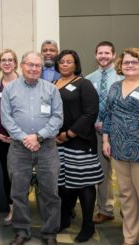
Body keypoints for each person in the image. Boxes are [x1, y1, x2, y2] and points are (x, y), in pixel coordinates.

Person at [1, 51, 63, 245]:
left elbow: (58, 117)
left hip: (47, 147)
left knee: (50, 192)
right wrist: (25, 138)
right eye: (30, 65)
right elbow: (6, 118)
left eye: (38, 66)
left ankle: (50, 232)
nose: (34, 69)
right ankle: (21, 231)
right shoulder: (10, 89)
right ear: (22, 66)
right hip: (19, 149)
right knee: (18, 192)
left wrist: (38, 136)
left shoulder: (52, 89)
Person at [54, 50, 103, 242]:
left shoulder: (84, 84)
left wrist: (69, 134)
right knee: (63, 184)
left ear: (76, 65)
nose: (65, 64)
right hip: (56, 142)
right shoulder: (52, 84)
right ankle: (64, 218)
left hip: (79, 141)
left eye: (69, 62)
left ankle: (88, 225)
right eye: (62, 61)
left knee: (84, 183)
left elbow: (90, 113)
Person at [102, 47, 139, 245]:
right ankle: (130, 238)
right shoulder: (115, 87)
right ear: (121, 65)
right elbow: (108, 114)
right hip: (118, 149)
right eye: (126, 62)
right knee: (126, 196)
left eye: (134, 62)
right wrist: (106, 140)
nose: (130, 65)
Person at [86, 41, 123, 224]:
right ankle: (106, 209)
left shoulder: (122, 77)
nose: (103, 56)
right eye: (100, 53)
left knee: (125, 175)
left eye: (107, 53)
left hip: (120, 132)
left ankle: (128, 211)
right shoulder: (89, 78)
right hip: (97, 133)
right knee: (103, 171)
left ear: (114, 55)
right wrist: (94, 123)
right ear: (95, 55)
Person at [0, 49, 18, 226]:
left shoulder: (25, 83)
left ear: (16, 63)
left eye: (10, 60)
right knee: (7, 175)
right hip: (2, 139)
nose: (7, 63)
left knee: (21, 175)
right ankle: (12, 209)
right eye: (3, 60)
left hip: (21, 139)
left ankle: (22, 209)